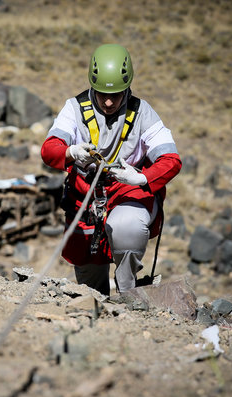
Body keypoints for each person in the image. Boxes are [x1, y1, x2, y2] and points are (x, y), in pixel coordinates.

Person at [41, 43, 181, 296]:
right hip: (85, 198)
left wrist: (141, 177)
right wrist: (70, 152)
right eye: (101, 94)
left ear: (127, 88)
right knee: (89, 281)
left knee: (127, 227)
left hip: (127, 193)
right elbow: (49, 150)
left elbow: (171, 159)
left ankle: (129, 296)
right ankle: (95, 311)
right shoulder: (73, 109)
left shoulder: (142, 113)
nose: (107, 102)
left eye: (116, 95)